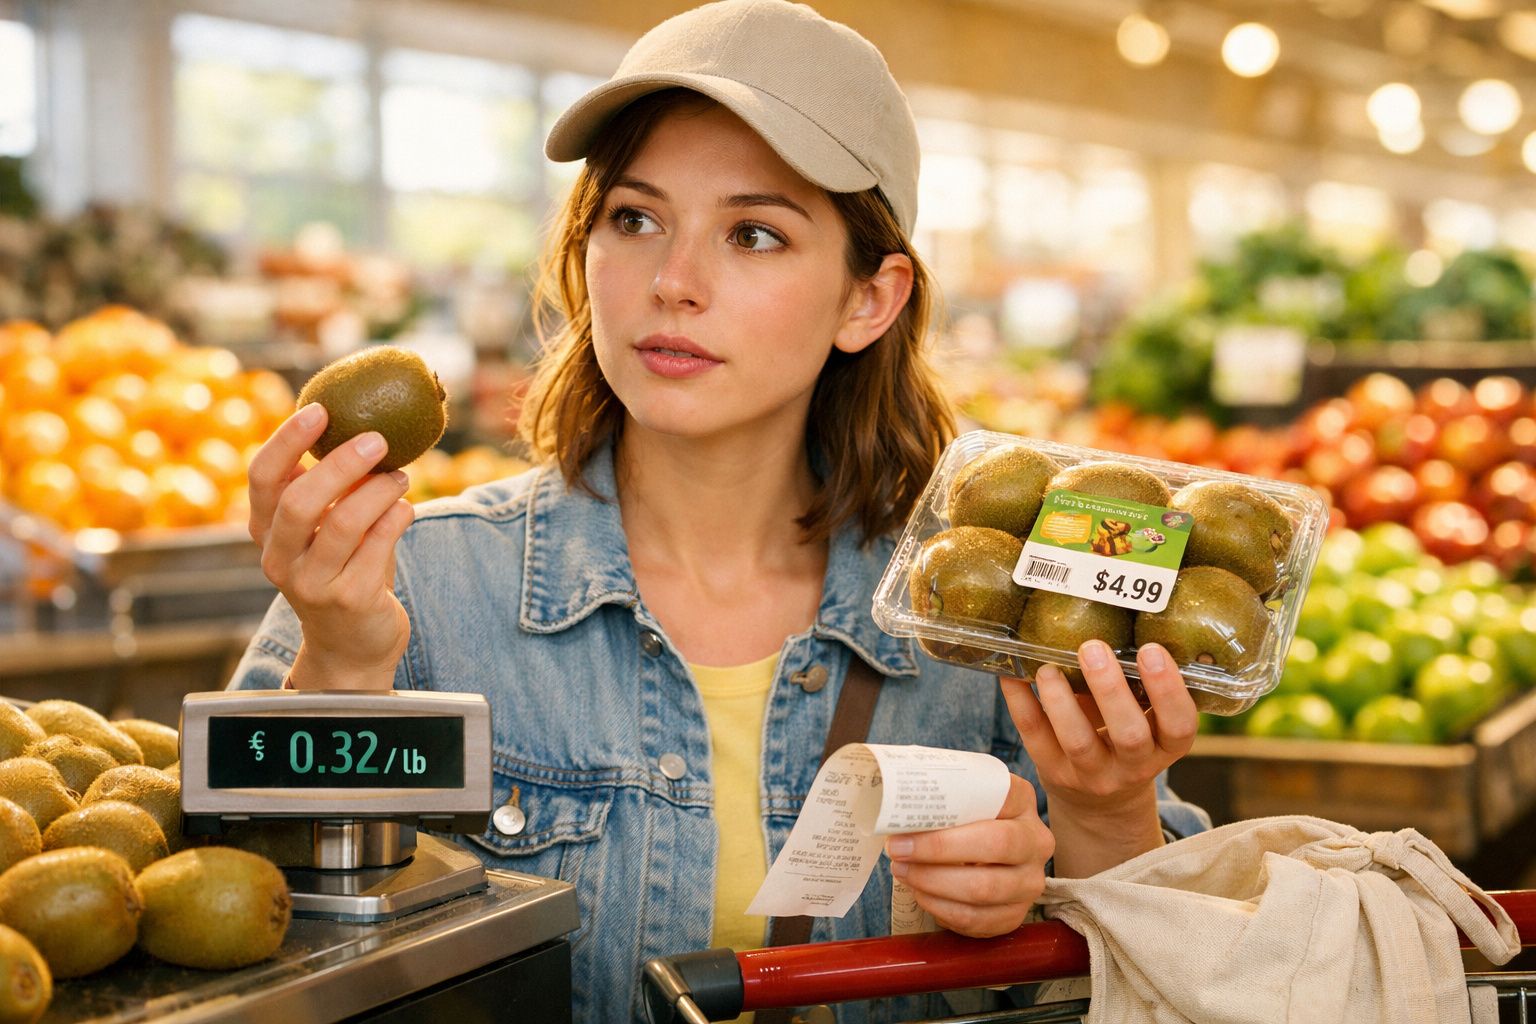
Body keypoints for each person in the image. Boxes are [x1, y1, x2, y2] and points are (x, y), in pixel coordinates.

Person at [229, 2, 1210, 1020]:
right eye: (635, 218)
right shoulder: (417, 586)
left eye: (753, 233)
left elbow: (1182, 974)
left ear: (867, 300)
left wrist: (1097, 820)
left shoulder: (979, 618)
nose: (673, 282)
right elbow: (230, 931)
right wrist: (341, 663)